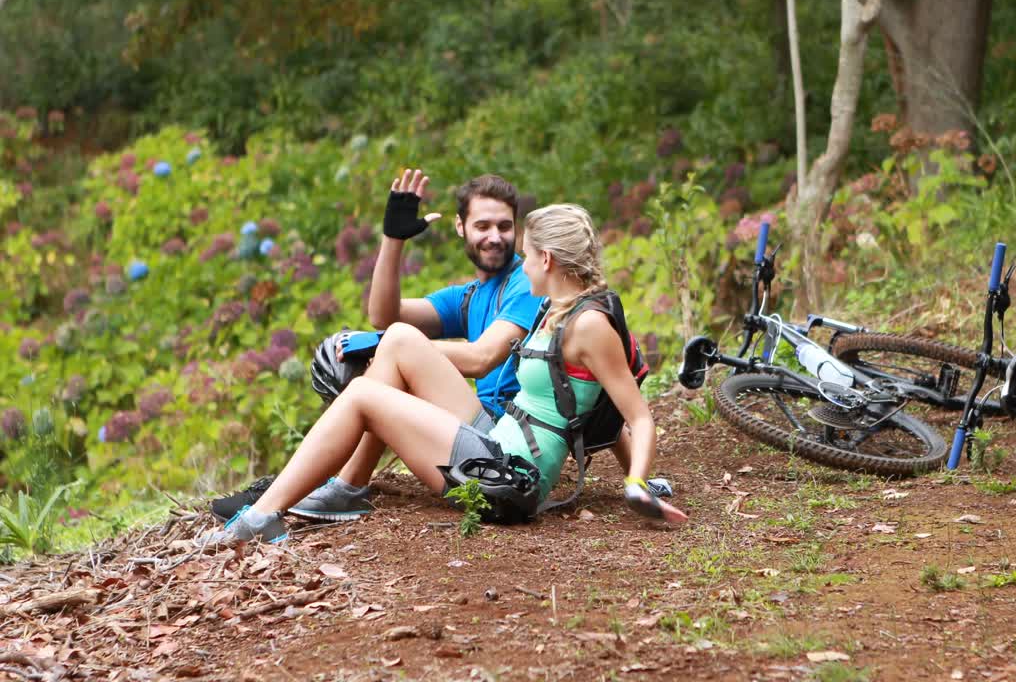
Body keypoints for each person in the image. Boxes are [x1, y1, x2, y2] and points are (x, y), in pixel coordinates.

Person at [207, 203, 687, 543]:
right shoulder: (556, 309)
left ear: (547, 260)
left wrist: (636, 483)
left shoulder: (590, 325)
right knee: (400, 337)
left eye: (526, 254)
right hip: (498, 439)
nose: (521, 264)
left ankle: (261, 516)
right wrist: (378, 336)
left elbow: (633, 415)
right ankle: (346, 488)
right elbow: (593, 411)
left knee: (361, 397)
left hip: (508, 479)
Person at [211, 169, 543, 521]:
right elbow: (384, 315)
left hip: (506, 455)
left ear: (517, 229)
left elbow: (482, 358)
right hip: (481, 437)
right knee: (394, 349)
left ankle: (338, 485)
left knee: (397, 343)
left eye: (504, 227)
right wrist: (393, 240)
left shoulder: (526, 283)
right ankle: (339, 484)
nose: (495, 237)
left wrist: (380, 343)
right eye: (483, 226)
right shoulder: (470, 296)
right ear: (461, 227)